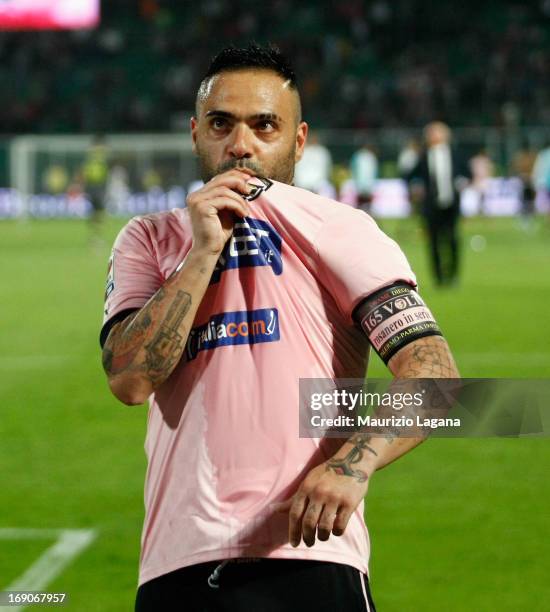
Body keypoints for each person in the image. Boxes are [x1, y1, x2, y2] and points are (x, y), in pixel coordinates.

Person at [100, 44, 459, 612]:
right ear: (196, 133)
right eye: (222, 123)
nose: (240, 145)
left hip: (309, 556)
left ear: (298, 139)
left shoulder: (341, 230)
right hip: (176, 561)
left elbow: (435, 378)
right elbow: (129, 379)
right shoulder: (149, 239)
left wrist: (351, 466)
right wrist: (202, 251)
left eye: (264, 125)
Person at [408, 122, 470, 286]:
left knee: (452, 240)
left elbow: (467, 173)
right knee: (433, 242)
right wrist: (416, 186)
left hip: (451, 204)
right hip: (431, 206)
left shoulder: (455, 154)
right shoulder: (424, 155)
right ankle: (438, 277)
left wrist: (462, 182)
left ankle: (453, 275)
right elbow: (410, 175)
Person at [350, 143, 378, 212]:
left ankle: (367, 210)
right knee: (361, 197)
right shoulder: (359, 156)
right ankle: (359, 211)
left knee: (367, 197)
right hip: (361, 180)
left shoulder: (371, 156)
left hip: (368, 180)